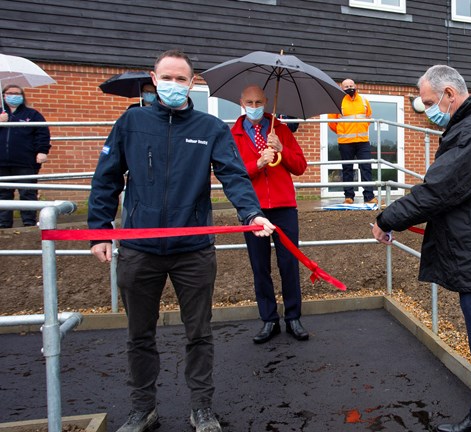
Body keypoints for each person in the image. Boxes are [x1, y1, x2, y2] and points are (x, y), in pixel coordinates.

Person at [88, 50, 275, 432]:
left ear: (192, 83)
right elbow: (106, 177)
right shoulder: (132, 122)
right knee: (139, 334)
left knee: (199, 333)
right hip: (140, 249)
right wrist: (100, 228)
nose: (174, 85)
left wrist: (251, 213)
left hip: (193, 250)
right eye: (167, 78)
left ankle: (201, 408)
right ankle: (143, 409)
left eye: (181, 79)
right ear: (154, 80)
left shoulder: (210, 129)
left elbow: (235, 177)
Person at [371, 65, 471, 432]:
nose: (427, 111)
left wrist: (386, 218)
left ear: (450, 95)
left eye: (428, 103)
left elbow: (437, 190)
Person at [232, 85, 309, 344]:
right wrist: (258, 164)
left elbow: (300, 166)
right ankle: (268, 320)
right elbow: (231, 173)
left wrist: (281, 150)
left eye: (259, 102)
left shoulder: (281, 130)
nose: (255, 107)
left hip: (284, 206)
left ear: (266, 101)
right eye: (250, 102)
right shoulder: (233, 134)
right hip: (253, 210)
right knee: (260, 265)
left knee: (289, 263)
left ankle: (293, 317)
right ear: (241, 103)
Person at [0, 84, 51, 228]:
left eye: (18, 93)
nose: (14, 96)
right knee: (3, 194)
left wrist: (42, 151)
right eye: (10, 93)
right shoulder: (1, 114)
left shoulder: (32, 114)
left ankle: (29, 223)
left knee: (27, 191)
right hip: (2, 162)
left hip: (25, 161)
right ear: (3, 95)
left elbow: (42, 133)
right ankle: (3, 224)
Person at [328, 78, 377, 205]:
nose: (349, 87)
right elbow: (331, 123)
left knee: (366, 168)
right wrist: (342, 132)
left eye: (351, 85)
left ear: (355, 86)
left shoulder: (364, 100)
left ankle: (369, 196)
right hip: (345, 142)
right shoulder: (338, 102)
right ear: (341, 88)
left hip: (363, 141)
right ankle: (349, 197)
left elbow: (368, 117)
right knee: (347, 169)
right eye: (346, 86)